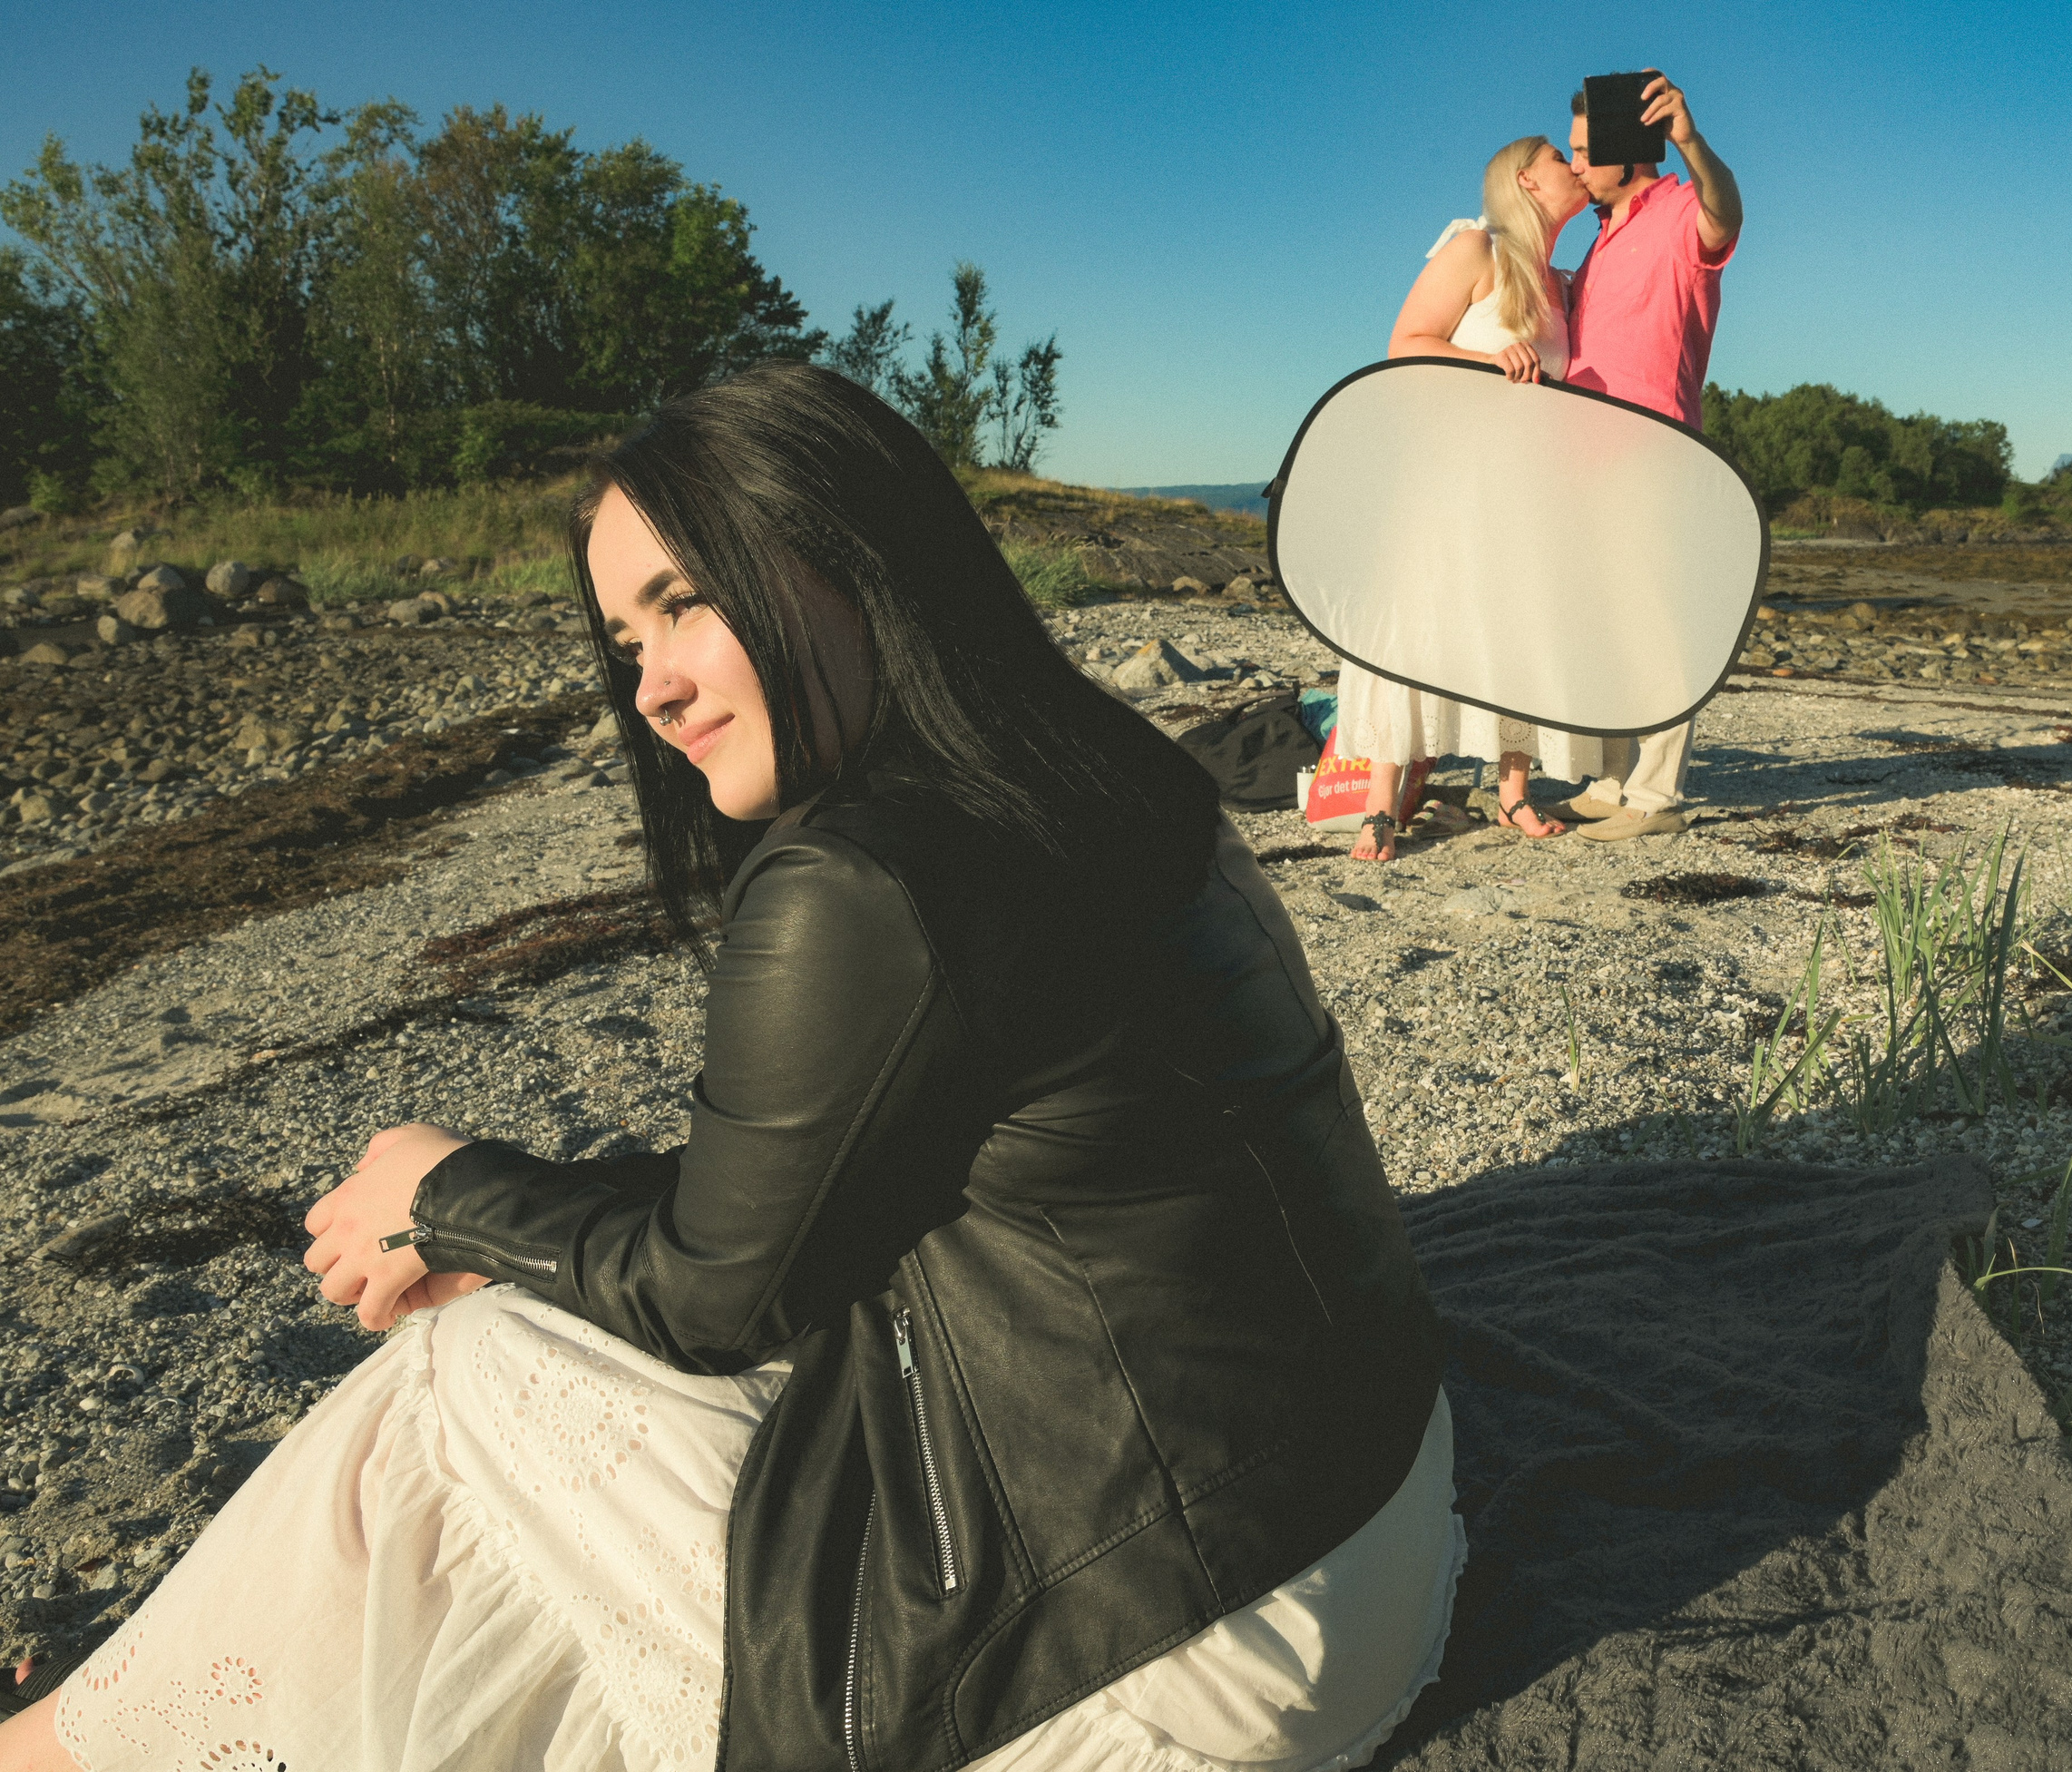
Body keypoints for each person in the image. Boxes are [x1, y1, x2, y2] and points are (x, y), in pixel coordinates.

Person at [0, 365, 1459, 1772]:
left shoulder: (867, 875)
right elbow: (809, 1191)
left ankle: (59, 1754)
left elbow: (716, 1297)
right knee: (517, 1335)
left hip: (1177, 1652)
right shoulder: (1088, 768)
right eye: (627, 643)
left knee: (460, 1383)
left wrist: (444, 1195)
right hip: (1364, 1522)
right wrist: (485, 1225)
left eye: (683, 605)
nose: (651, 688)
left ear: (853, 560)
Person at [1339, 133, 1595, 862]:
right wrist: (1489, 359)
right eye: (1559, 156)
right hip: (1447, 480)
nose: (1574, 165)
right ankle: (1380, 806)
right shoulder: (1475, 249)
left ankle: (1512, 791)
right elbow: (1405, 343)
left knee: (1519, 628)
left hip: (1526, 488)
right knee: (1416, 627)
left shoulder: (1560, 282)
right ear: (1527, 179)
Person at [1541, 68, 1743, 843]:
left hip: (1654, 449)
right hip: (1585, 457)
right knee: (1605, 625)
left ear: (1633, 151)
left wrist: (1692, 143)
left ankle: (1657, 797)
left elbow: (1726, 211)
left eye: (1587, 151)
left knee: (1659, 623)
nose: (1577, 165)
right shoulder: (1602, 238)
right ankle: (1610, 777)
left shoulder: (1680, 209)